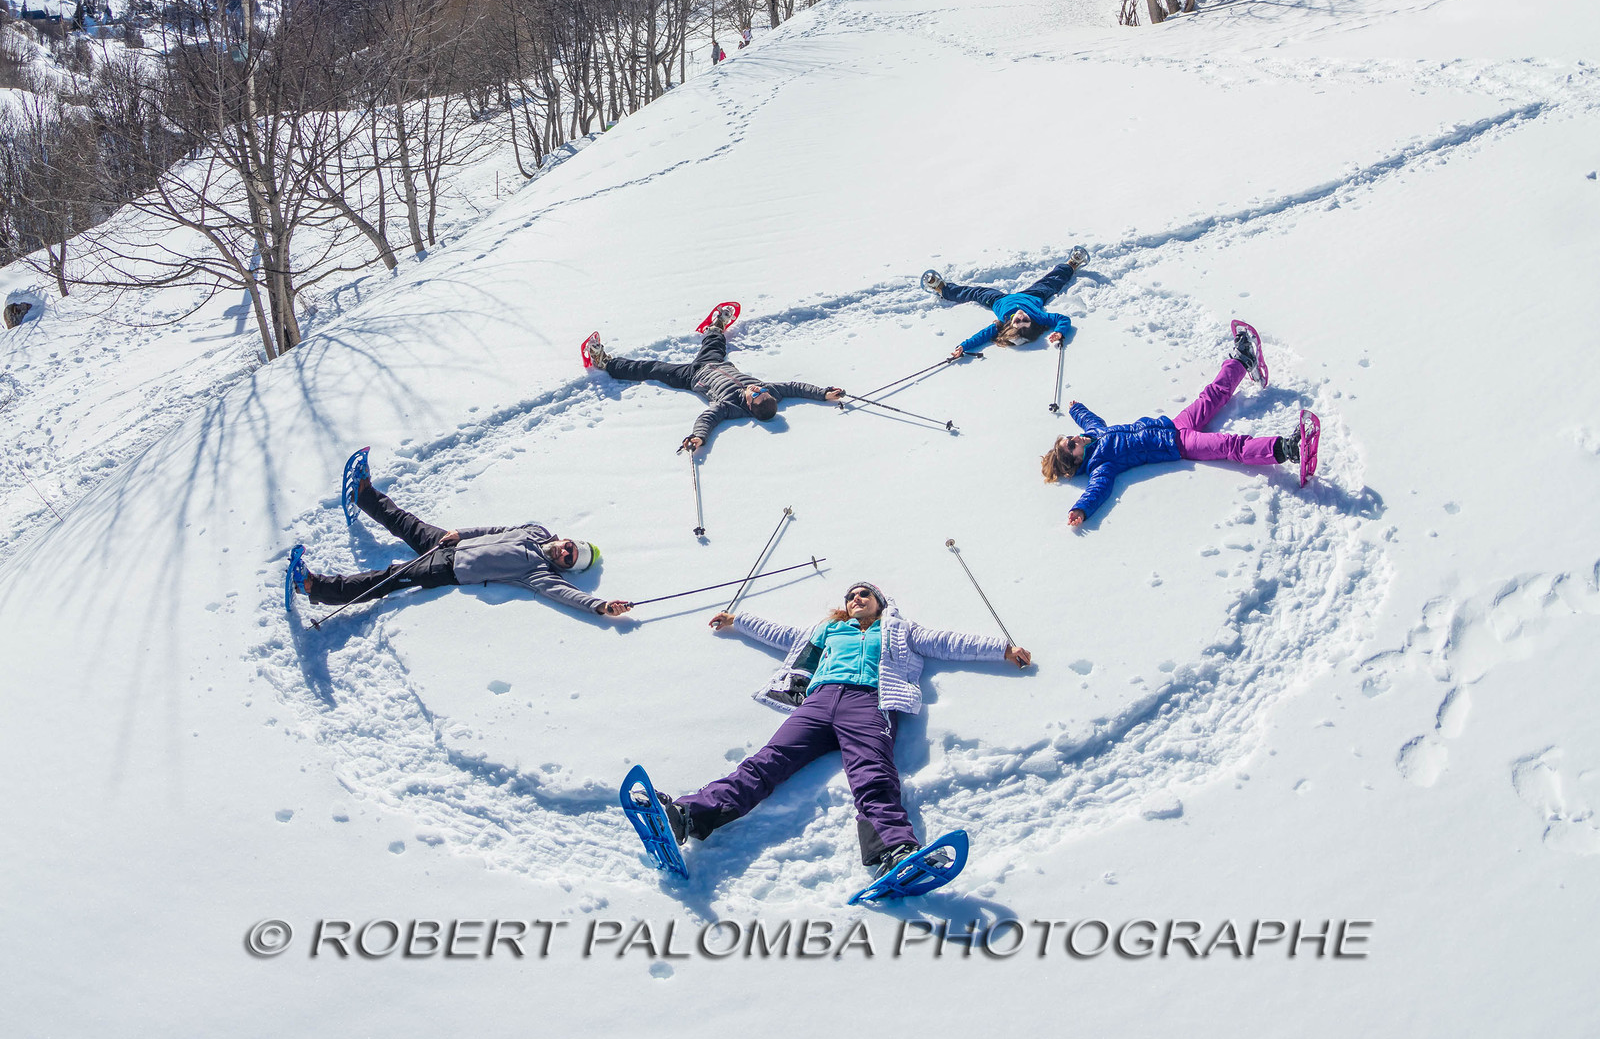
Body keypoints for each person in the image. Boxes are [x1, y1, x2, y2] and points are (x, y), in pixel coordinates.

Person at [650, 581, 1033, 874]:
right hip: (819, 701)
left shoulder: (899, 631)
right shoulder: (829, 630)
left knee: (873, 775)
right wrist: (739, 621)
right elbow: (782, 635)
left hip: (869, 702)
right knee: (767, 762)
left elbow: (948, 641)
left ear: (880, 603)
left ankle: (894, 851)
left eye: (865, 594)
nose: (857, 598)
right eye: (852, 595)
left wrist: (1003, 648)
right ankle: (690, 815)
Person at [1041, 324, 1300, 529]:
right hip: (1179, 445)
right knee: (1230, 445)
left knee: (1212, 395)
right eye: (1072, 445)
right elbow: (1098, 490)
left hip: (1175, 424)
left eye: (1070, 437)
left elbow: (1090, 422)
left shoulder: (1094, 434)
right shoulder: (1101, 465)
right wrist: (1081, 510)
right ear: (1075, 460)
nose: (1076, 439)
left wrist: (1076, 409)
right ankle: (1286, 448)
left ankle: (1242, 360)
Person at [290, 471, 633, 616]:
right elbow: (497, 528)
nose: (566, 552)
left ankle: (314, 587)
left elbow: (567, 595)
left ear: (566, 567)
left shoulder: (540, 573)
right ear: (567, 539)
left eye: (571, 559)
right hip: (451, 544)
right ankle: (366, 495)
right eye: (571, 547)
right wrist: (461, 534)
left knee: (387, 578)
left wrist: (600, 606)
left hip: (451, 568)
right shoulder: (537, 531)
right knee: (409, 524)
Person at [586, 304, 845, 454]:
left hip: (692, 376)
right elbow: (794, 387)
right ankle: (715, 327)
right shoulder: (770, 392)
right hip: (716, 364)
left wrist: (699, 438)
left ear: (750, 406)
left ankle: (604, 362)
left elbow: (707, 419)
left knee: (652, 368)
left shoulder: (729, 407)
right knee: (715, 344)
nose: (756, 388)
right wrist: (823, 393)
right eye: (761, 390)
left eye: (755, 394)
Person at [923, 248, 1089, 358]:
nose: (1021, 316)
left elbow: (981, 336)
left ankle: (942, 288)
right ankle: (1071, 264)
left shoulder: (1001, 324)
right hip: (1032, 296)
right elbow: (1063, 320)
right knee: (1052, 282)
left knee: (973, 292)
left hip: (998, 300)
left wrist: (963, 347)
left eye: (1018, 321)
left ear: (1010, 325)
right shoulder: (1039, 317)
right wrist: (1060, 332)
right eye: (1026, 320)